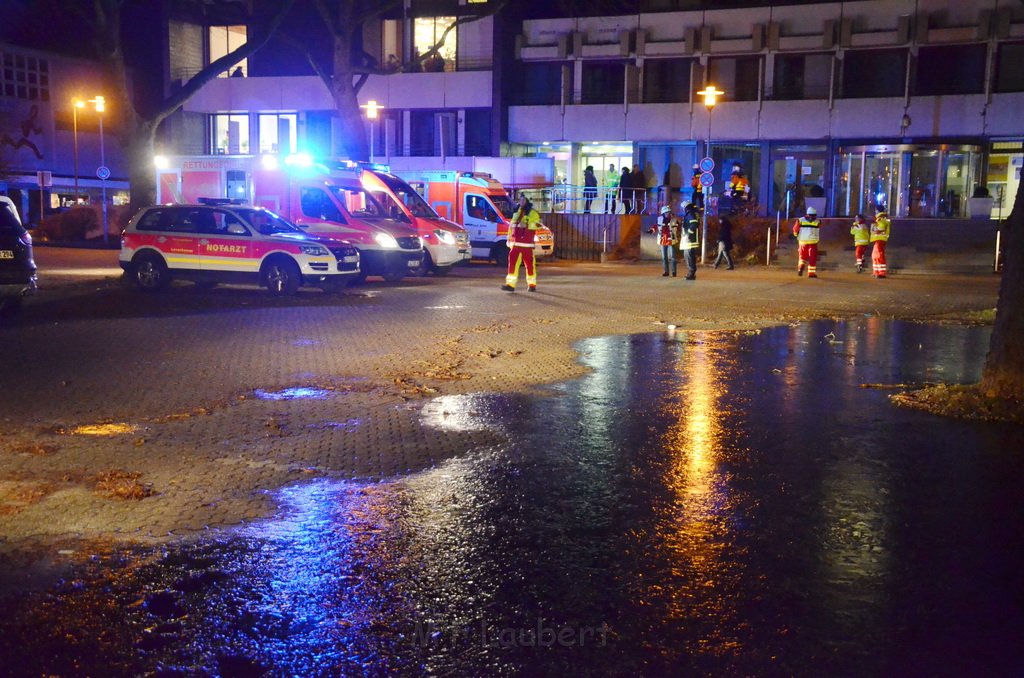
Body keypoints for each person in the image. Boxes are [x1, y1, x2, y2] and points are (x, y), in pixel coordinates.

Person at [501, 194, 542, 292]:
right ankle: (510, 285)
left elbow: (538, 225)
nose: (521, 202)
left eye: (524, 200)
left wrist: (526, 224)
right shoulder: (517, 212)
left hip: (526, 244)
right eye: (520, 200)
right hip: (515, 243)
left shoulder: (533, 213)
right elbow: (511, 227)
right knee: (512, 264)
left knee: (529, 265)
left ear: (528, 201)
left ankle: (532, 284)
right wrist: (509, 238)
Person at [649, 205, 680, 277]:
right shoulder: (659, 219)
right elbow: (656, 226)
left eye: (668, 212)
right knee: (664, 257)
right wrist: (651, 230)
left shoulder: (674, 219)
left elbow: (679, 227)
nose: (667, 214)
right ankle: (666, 271)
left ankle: (674, 272)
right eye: (666, 212)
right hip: (662, 240)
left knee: (673, 257)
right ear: (663, 213)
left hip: (671, 240)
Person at [792, 205, 821, 278]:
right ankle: (811, 273)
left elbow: (795, 229)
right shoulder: (818, 221)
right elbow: (820, 226)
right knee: (812, 257)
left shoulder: (800, 220)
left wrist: (796, 235)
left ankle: (801, 266)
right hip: (813, 242)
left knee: (802, 256)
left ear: (807, 213)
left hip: (803, 241)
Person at [679, 202, 700, 280]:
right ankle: (691, 273)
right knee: (688, 256)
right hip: (689, 240)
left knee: (689, 257)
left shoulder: (690, 214)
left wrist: (689, 234)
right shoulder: (692, 213)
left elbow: (694, 225)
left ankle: (691, 273)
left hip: (689, 240)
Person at [871, 209, 891, 278]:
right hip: (878, 239)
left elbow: (882, 227)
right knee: (875, 255)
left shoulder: (881, 218)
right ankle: (876, 271)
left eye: (876, 210)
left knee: (879, 255)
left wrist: (877, 230)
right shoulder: (880, 218)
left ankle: (881, 273)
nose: (875, 212)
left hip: (880, 239)